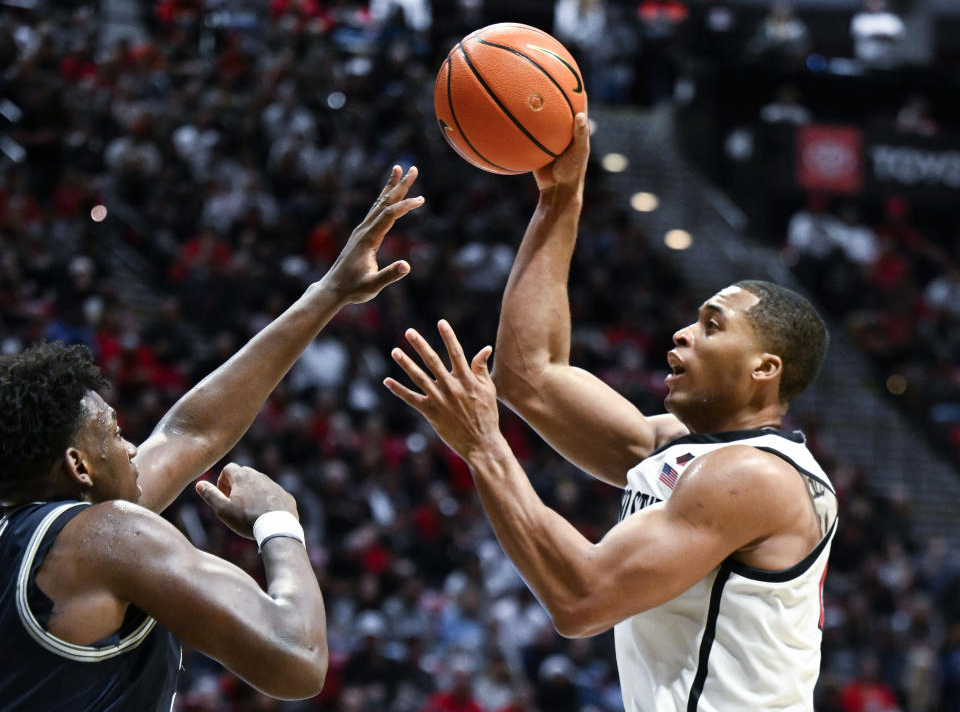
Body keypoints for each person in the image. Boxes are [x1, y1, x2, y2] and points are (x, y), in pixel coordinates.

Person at [384, 115, 837, 711]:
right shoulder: (678, 451)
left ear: (764, 369)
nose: (681, 335)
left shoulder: (753, 478)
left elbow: (581, 598)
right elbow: (529, 375)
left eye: (711, 326)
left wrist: (484, 446)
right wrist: (559, 196)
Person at [0, 166, 424, 709]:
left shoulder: (40, 535)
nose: (133, 448)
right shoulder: (106, 536)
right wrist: (278, 523)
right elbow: (296, 656)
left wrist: (330, 291)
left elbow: (190, 432)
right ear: (79, 467)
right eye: (114, 434)